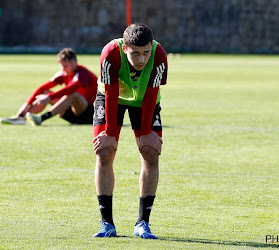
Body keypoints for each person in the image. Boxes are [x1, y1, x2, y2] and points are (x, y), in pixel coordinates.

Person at [93, 23, 168, 239]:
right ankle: (107, 223)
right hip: (111, 98)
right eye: (135, 54)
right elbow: (110, 92)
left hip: (145, 99)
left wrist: (146, 132)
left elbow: (153, 92)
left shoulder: (159, 55)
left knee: (150, 152)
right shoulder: (110, 53)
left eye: (146, 52)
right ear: (125, 49)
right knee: (105, 151)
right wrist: (109, 131)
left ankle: (143, 223)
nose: (142, 59)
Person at [0, 48, 98, 126]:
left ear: (74, 63)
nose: (63, 69)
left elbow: (71, 89)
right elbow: (43, 87)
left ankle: (41, 118)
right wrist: (27, 104)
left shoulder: (83, 74)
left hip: (91, 115)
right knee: (45, 93)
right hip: (75, 114)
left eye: (66, 66)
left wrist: (49, 98)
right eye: (61, 66)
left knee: (72, 94)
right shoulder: (64, 73)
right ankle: (21, 117)